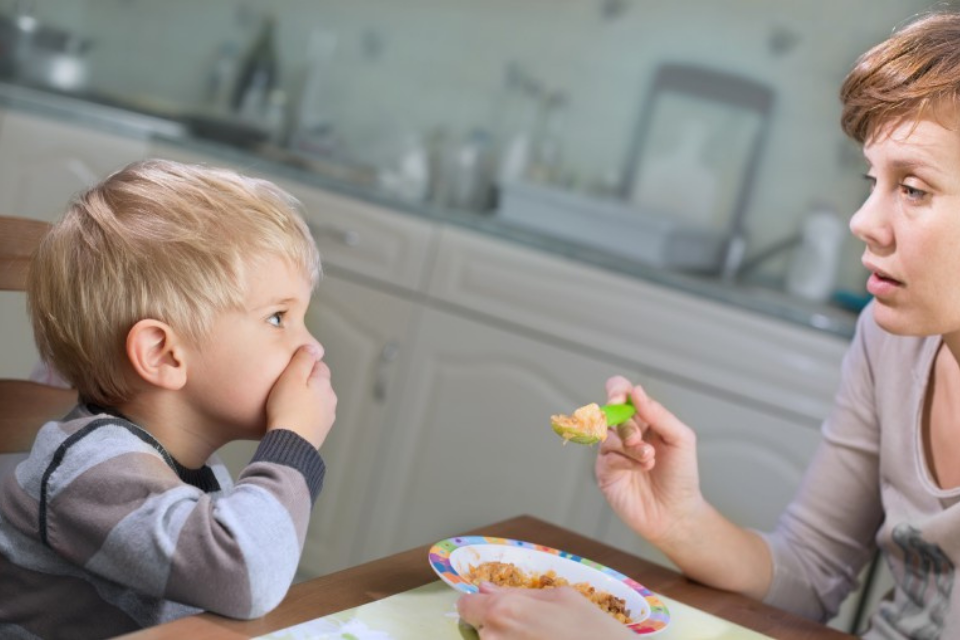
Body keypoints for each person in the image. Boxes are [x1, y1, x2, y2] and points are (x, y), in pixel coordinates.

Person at [458, 8, 960, 639]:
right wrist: (682, 520)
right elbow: (808, 575)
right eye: (873, 180)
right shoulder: (889, 343)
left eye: (912, 188)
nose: (862, 220)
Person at [0, 159, 337, 638]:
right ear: (162, 354)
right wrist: (294, 441)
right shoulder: (91, 471)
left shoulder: (191, 466)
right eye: (278, 318)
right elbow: (247, 577)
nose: (312, 347)